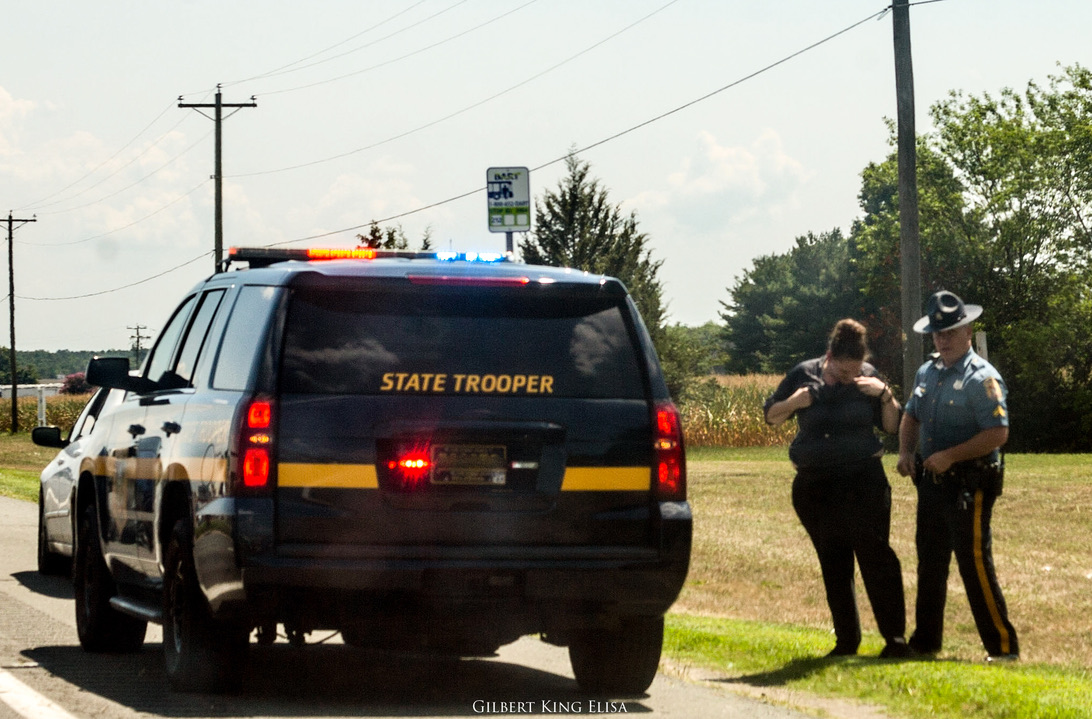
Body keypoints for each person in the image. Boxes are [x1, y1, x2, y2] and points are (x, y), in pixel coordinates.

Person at [765, 319, 911, 658]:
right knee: (834, 562)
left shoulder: (868, 376)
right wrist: (795, 403)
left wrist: (884, 394)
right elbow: (771, 415)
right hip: (816, 486)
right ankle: (847, 642)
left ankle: (895, 640)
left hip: (864, 482)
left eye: (856, 370)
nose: (851, 378)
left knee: (876, 557)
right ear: (830, 356)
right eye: (845, 372)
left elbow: (891, 427)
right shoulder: (803, 374)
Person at [896, 290, 1019, 662]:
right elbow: (911, 414)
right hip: (933, 484)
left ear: (968, 331)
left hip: (972, 483)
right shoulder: (926, 372)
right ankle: (926, 643)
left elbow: (998, 434)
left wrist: (950, 455)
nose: (942, 339)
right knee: (930, 563)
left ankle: (1002, 650)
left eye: (949, 332)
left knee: (974, 563)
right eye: (937, 333)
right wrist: (905, 451)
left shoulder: (983, 378)